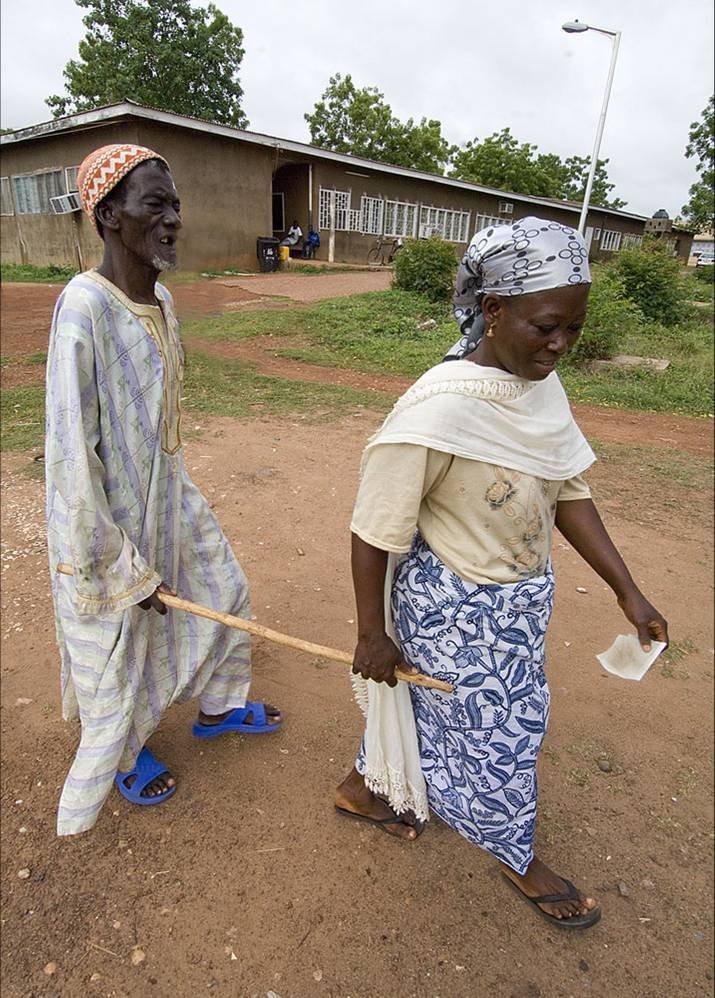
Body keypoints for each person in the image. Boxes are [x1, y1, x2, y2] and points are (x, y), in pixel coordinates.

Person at [335, 218, 668, 930]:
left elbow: (566, 493)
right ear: (492, 311)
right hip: (451, 608)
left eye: (573, 330)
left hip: (517, 605)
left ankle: (365, 789)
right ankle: (516, 854)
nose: (559, 345)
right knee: (501, 739)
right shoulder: (439, 407)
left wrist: (627, 590)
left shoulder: (536, 388)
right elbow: (371, 530)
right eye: (547, 326)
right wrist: (371, 635)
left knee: (439, 712)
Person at [46, 144, 282, 836]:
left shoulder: (164, 300)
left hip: (166, 493)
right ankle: (120, 753)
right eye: (156, 204)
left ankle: (217, 708)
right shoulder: (82, 308)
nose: (173, 218)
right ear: (110, 215)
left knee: (222, 591)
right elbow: (68, 453)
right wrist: (115, 560)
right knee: (118, 639)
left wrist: (168, 501)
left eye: (175, 204)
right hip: (104, 516)